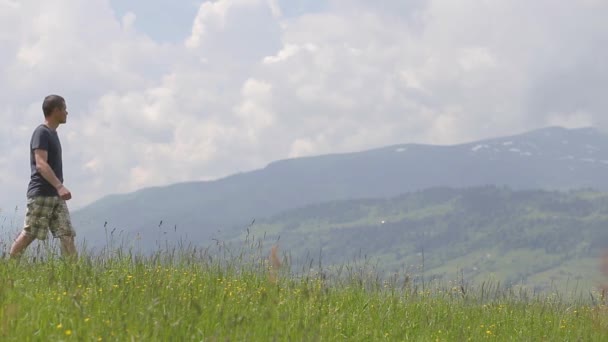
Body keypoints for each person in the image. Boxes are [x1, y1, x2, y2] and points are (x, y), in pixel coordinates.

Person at [10, 94, 77, 259]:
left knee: (66, 234)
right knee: (30, 233)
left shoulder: (53, 134)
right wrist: (59, 186)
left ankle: (76, 275)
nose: (67, 113)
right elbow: (40, 164)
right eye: (64, 109)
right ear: (56, 110)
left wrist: (58, 189)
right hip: (42, 193)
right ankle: (8, 267)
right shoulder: (42, 132)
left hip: (55, 196)